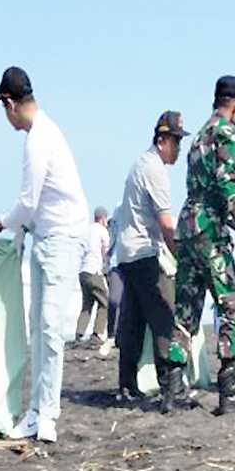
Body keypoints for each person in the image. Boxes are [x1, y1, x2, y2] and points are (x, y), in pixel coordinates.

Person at [0, 66, 88, 443]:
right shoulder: (39, 133)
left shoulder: (38, 138)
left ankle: (47, 416)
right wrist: (21, 231)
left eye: (2, 108)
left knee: (48, 327)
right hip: (46, 237)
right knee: (38, 326)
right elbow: (35, 205)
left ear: (9, 104)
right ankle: (36, 410)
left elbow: (27, 202)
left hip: (61, 238)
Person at [169, 76, 235, 416]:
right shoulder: (226, 132)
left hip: (186, 226)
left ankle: (172, 390)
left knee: (186, 308)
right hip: (211, 231)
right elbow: (226, 180)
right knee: (230, 305)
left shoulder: (198, 135)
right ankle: (228, 391)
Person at [113, 110, 188, 411]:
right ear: (162, 140)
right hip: (145, 253)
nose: (179, 149)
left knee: (134, 322)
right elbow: (167, 225)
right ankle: (172, 387)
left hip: (127, 253)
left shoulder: (139, 164)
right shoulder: (155, 170)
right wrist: (182, 259)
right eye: (176, 142)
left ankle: (127, 387)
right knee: (164, 318)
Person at [74, 207, 110, 346]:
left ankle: (79, 333)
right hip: (94, 270)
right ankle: (97, 333)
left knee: (87, 304)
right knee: (104, 301)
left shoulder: (86, 230)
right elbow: (105, 251)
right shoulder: (102, 231)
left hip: (82, 271)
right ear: (103, 218)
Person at [97, 210, 123, 359]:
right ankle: (111, 335)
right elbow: (111, 237)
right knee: (114, 300)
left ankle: (122, 336)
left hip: (135, 259)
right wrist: (106, 259)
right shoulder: (118, 209)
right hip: (116, 264)